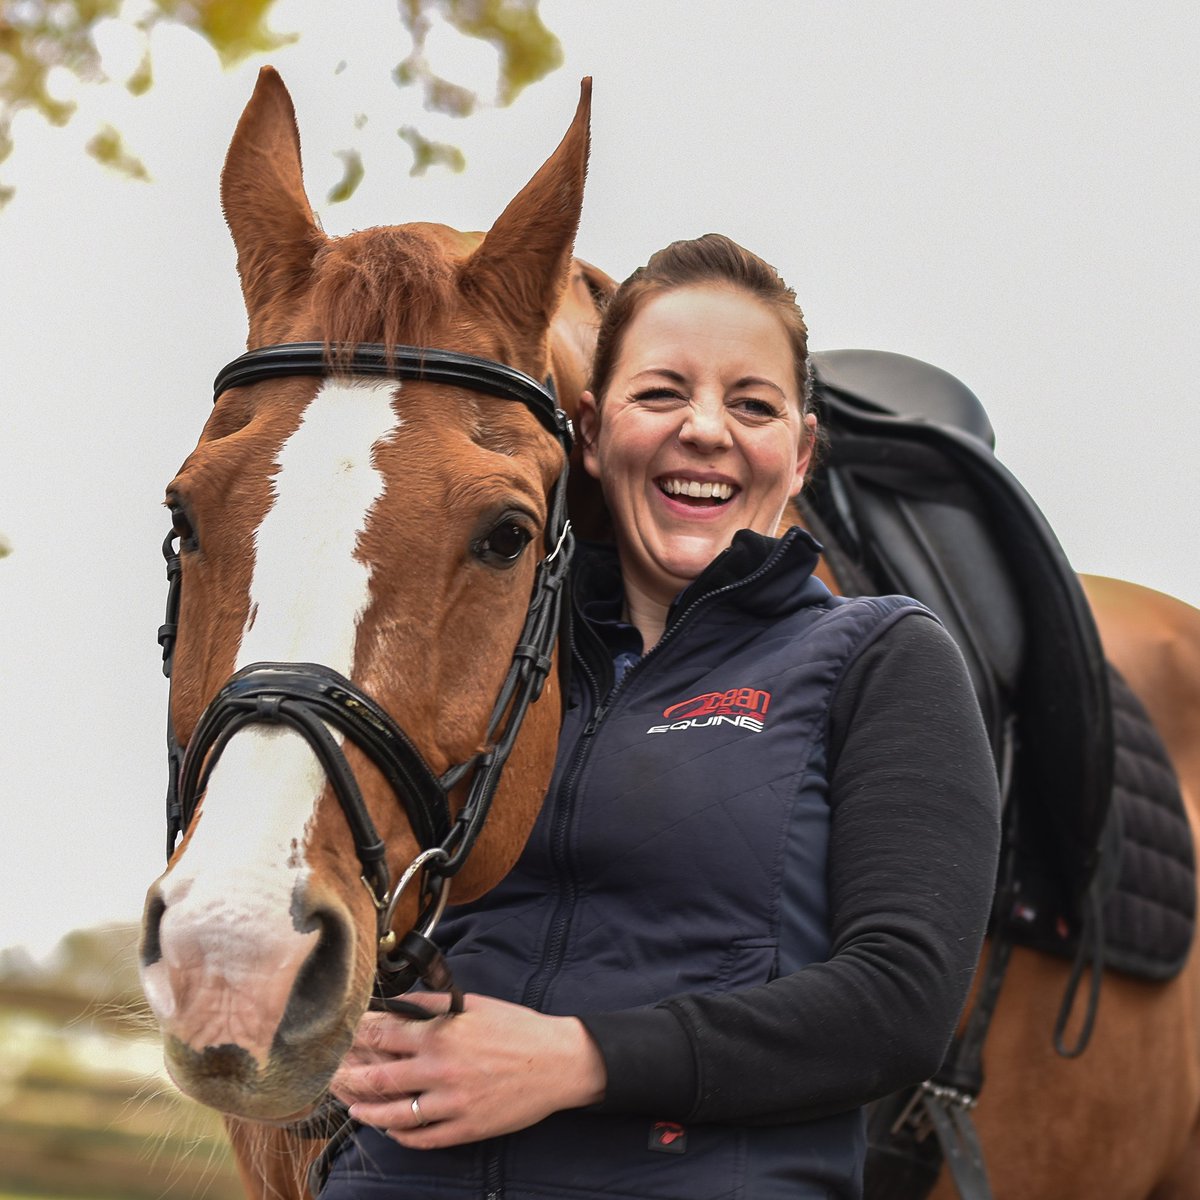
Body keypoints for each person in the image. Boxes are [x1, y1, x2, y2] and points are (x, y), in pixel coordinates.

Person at [321, 234, 1001, 1199]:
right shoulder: (492, 666)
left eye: (752, 404)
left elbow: (897, 1004)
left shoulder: (880, 657)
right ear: (591, 434)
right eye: (661, 393)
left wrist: (574, 1060)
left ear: (800, 454)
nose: (707, 430)